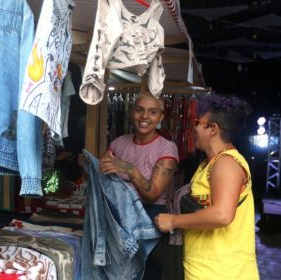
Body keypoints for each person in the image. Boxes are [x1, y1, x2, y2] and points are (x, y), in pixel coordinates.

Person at [154, 94, 259, 279]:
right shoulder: (208, 164)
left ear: (212, 129)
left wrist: (173, 221)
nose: (194, 128)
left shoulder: (227, 163)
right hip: (202, 269)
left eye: (198, 122)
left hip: (223, 273)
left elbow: (222, 214)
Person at [98, 91, 179, 279]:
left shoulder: (167, 148)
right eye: (139, 110)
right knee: (117, 271)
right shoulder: (119, 144)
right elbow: (100, 174)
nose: (144, 117)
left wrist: (130, 169)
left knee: (143, 272)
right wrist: (89, 165)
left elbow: (152, 194)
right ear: (132, 112)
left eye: (152, 112)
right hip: (118, 215)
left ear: (160, 117)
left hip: (149, 216)